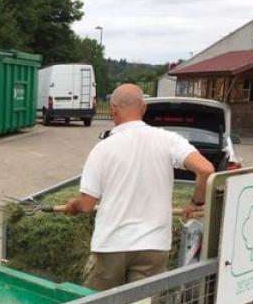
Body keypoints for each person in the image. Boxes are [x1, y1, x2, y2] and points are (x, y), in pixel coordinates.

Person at [56, 84, 214, 290]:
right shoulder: (168, 140)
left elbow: (86, 205)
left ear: (113, 110)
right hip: (154, 246)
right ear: (144, 109)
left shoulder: (103, 149)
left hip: (112, 244)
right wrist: (196, 203)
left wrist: (72, 206)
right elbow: (206, 169)